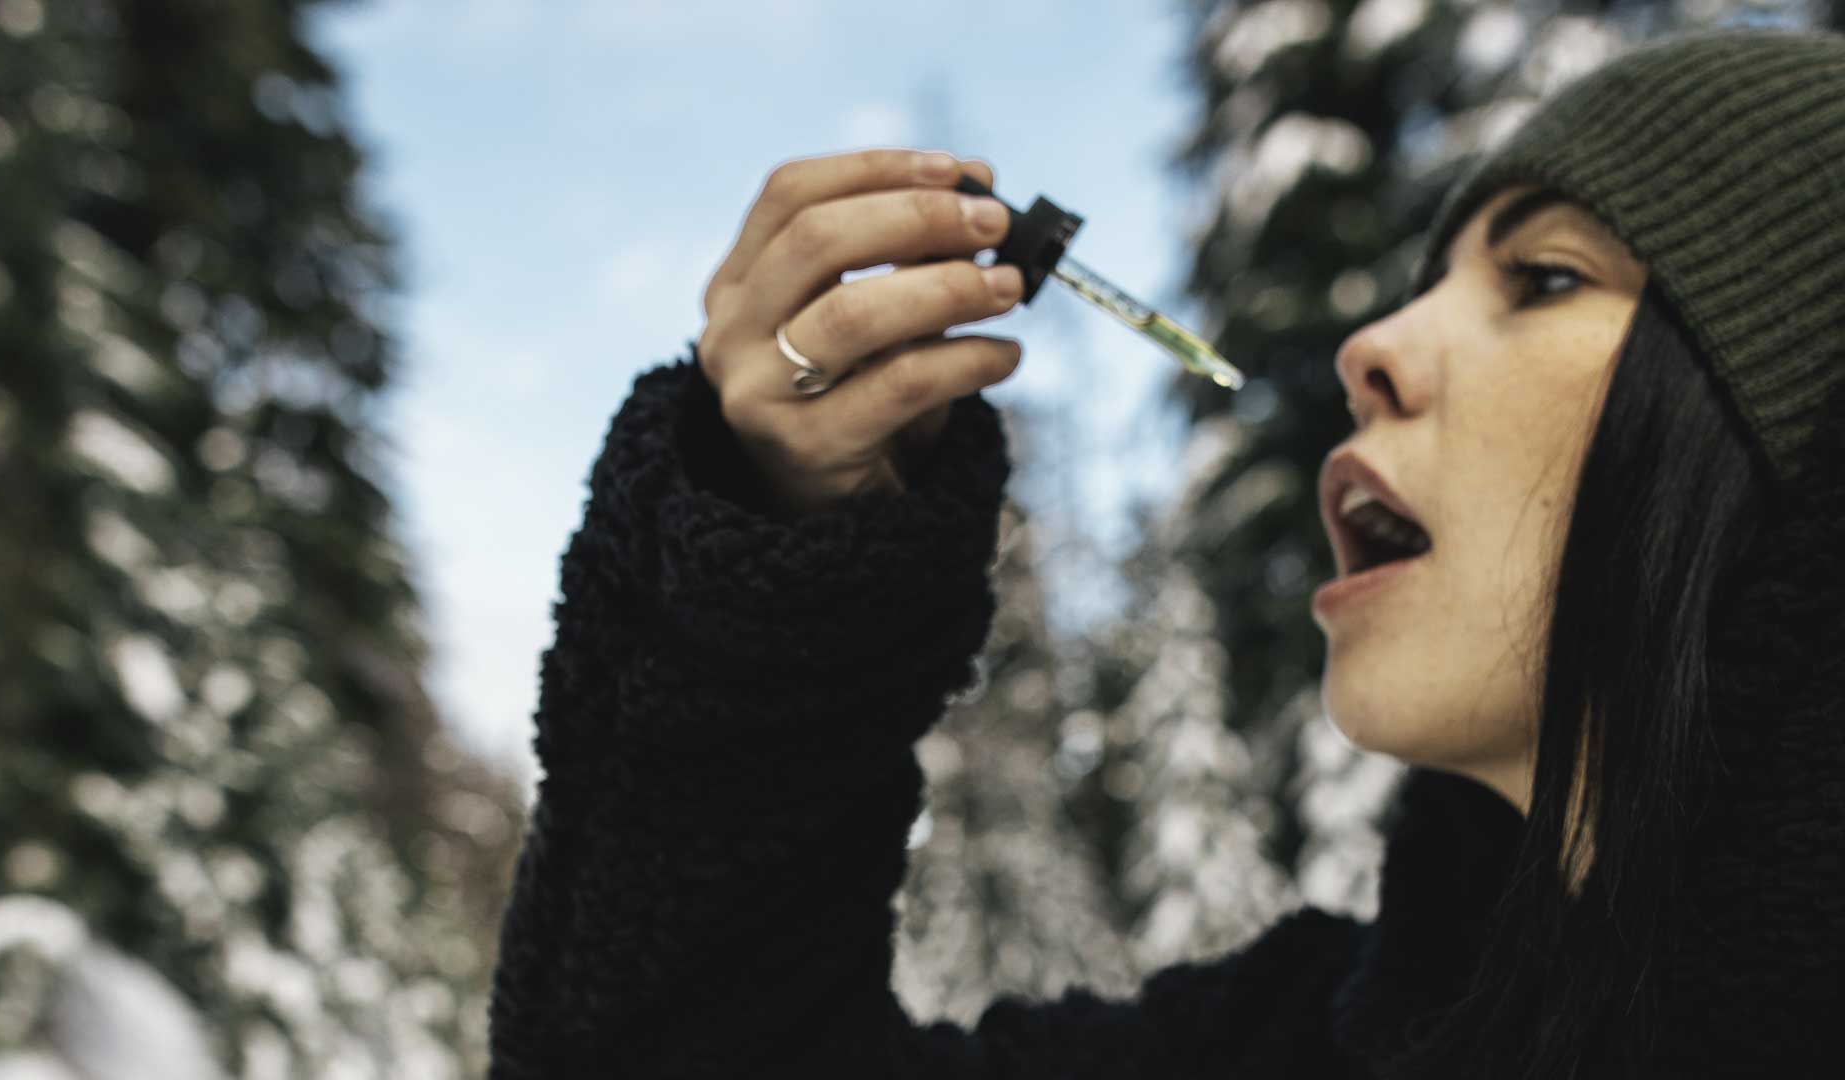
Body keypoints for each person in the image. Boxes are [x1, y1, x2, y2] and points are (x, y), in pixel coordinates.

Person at [485, 27, 1845, 1079]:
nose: (1373, 349)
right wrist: (777, 552)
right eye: (1425, 284)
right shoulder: (1324, 1043)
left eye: (1544, 278)